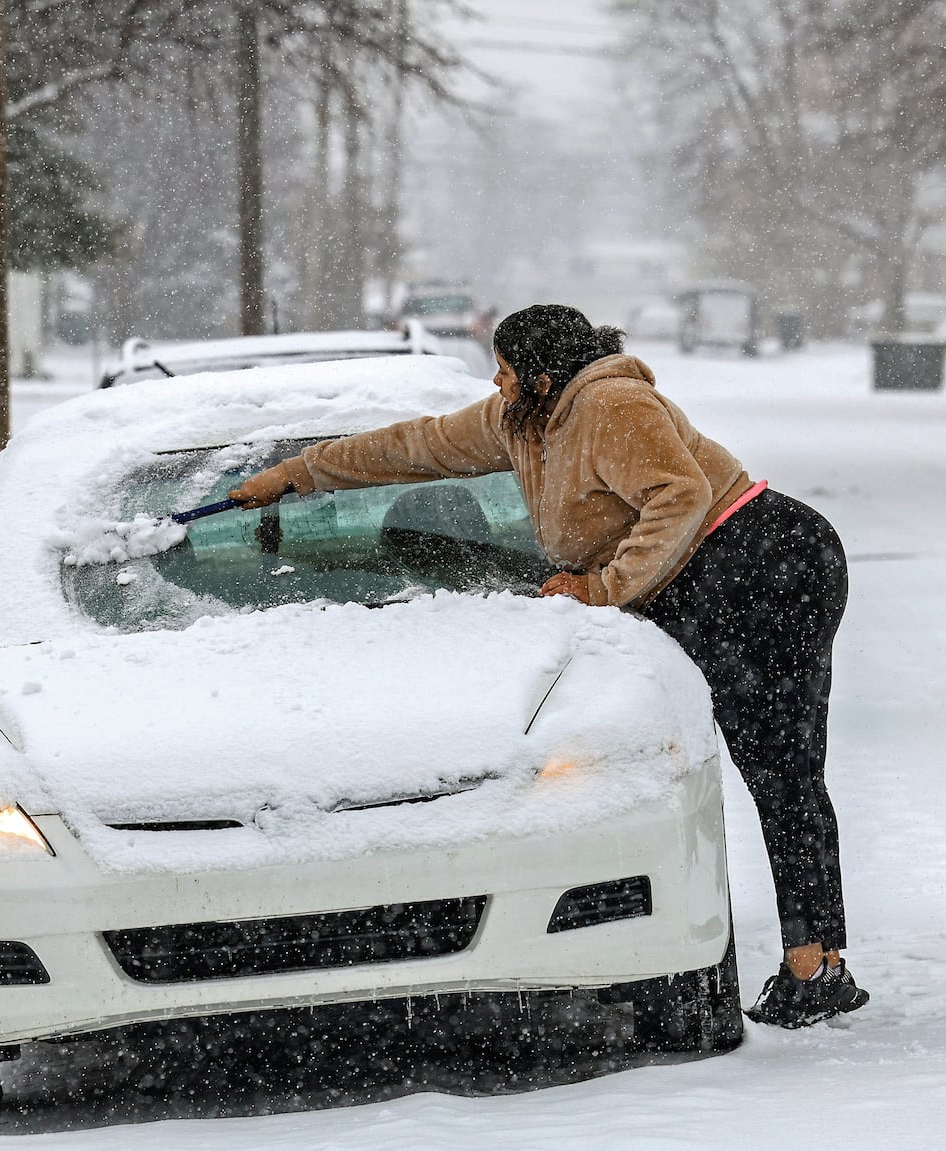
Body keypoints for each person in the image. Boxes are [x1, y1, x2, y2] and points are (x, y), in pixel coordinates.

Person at [228, 303, 868, 1028]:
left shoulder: (609, 402)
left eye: (503, 372)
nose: (494, 386)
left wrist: (601, 587)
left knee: (778, 761)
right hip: (706, 574)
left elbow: (681, 494)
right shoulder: (521, 420)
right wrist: (297, 474)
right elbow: (420, 445)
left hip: (760, 560)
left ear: (539, 374)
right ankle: (817, 959)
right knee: (778, 762)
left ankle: (816, 966)